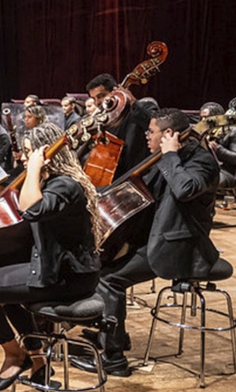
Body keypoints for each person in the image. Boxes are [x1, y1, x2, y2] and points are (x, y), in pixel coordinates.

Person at [72, 108, 220, 377]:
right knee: (101, 271)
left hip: (181, 247)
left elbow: (185, 189)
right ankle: (114, 337)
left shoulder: (201, 162)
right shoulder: (163, 158)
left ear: (169, 134)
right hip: (155, 237)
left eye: (151, 131)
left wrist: (171, 154)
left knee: (109, 280)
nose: (145, 134)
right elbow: (132, 185)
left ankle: (113, 360)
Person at [0, 122, 101, 390]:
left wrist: (35, 167)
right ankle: (38, 360)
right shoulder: (59, 181)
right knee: (2, 292)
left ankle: (15, 354)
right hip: (65, 270)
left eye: (28, 152)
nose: (23, 158)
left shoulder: (65, 185)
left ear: (46, 153)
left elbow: (31, 208)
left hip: (66, 278)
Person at [85, 73, 153, 178]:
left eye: (101, 96)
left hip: (139, 174)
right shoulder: (102, 118)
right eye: (94, 98)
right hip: (112, 176)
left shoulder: (141, 107)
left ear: (115, 92)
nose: (97, 102)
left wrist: (134, 103)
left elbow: (155, 124)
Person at [200, 102, 236, 189]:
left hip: (225, 172)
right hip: (205, 168)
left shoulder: (234, 132)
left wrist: (218, 149)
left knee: (206, 181)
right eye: (201, 117)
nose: (202, 121)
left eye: (206, 117)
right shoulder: (202, 132)